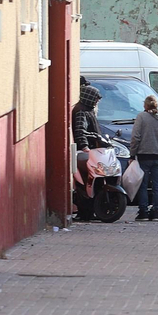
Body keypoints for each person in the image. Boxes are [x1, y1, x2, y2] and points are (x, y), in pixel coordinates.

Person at [129, 94, 158, 222]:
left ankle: (143, 212)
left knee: (143, 184)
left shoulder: (141, 117)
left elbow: (136, 137)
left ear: (145, 105)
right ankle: (156, 212)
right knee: (157, 186)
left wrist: (132, 154)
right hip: (157, 157)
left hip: (144, 156)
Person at [71, 81, 104, 221]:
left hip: (91, 151)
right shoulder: (81, 111)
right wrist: (85, 146)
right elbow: (80, 131)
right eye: (96, 98)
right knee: (85, 184)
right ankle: (85, 211)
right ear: (90, 97)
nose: (97, 101)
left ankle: (90, 211)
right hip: (85, 153)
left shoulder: (88, 110)